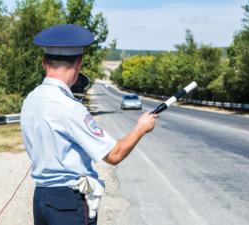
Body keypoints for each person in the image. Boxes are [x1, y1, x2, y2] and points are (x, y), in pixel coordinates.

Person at [20, 24, 157, 225]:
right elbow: (114, 154)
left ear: (44, 62)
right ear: (79, 63)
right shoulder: (69, 107)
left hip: (41, 198)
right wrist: (141, 127)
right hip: (67, 202)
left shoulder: (30, 99)